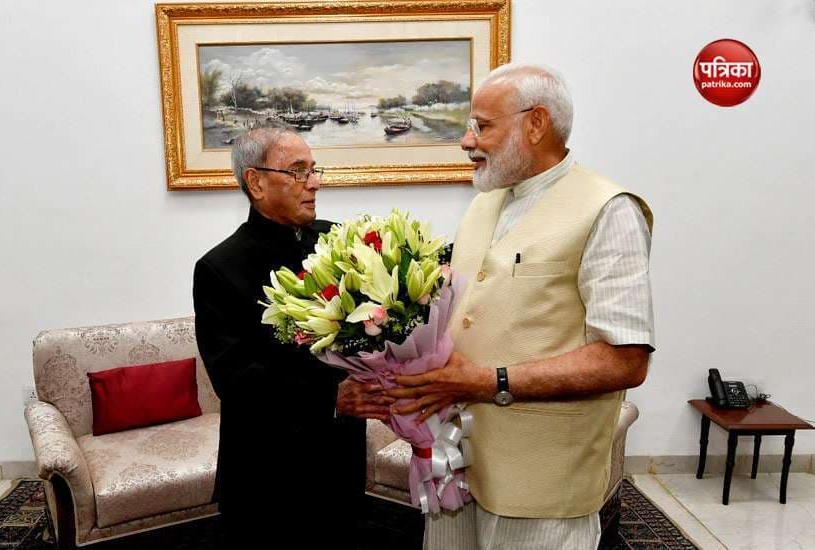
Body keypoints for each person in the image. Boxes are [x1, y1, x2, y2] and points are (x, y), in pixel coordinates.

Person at [387, 63, 655, 549]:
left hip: (542, 485)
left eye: (482, 126)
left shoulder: (609, 209)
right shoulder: (485, 203)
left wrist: (491, 382)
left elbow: (625, 359)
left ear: (535, 124)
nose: (467, 142)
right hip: (458, 467)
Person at [193, 121, 393, 547]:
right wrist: (332, 398)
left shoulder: (337, 241)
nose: (315, 182)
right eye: (299, 171)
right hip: (268, 471)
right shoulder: (219, 268)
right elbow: (235, 380)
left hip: (340, 457)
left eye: (315, 169)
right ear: (257, 183)